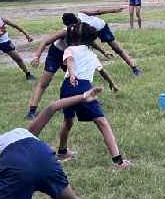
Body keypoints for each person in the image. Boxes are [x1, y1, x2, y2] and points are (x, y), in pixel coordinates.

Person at [55, 24, 131, 170]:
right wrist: (112, 84)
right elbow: (100, 71)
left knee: (68, 121)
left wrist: (71, 75)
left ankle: (62, 152)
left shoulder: (70, 49)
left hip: (66, 87)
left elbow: (71, 60)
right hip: (83, 87)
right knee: (102, 123)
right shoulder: (91, 54)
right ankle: (119, 162)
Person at [26, 27, 110, 120]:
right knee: (44, 83)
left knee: (80, 76)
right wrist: (37, 56)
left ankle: (78, 100)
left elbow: (91, 41)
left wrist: (104, 52)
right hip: (56, 54)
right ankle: (32, 111)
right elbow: (46, 41)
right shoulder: (66, 31)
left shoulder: (82, 30)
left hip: (70, 55)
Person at [61, 8, 141, 76]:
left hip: (102, 28)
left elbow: (98, 11)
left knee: (117, 49)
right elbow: (91, 42)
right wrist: (103, 52)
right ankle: (81, 72)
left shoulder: (81, 13)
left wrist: (114, 10)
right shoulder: (78, 30)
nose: (70, 27)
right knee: (83, 51)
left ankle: (134, 67)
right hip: (92, 32)